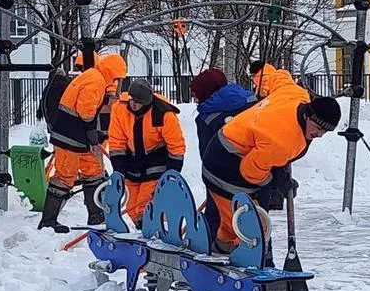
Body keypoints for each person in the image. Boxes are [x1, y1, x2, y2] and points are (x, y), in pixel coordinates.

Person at [200, 61, 340, 254]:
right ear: (308, 115)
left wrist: (261, 71)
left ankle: (239, 252)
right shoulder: (282, 141)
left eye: (325, 132)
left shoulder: (295, 95)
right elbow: (250, 171)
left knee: (251, 222)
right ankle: (223, 252)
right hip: (224, 166)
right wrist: (275, 182)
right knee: (241, 224)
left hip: (238, 145)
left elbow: (278, 78)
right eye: (317, 129)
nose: (319, 135)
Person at [38, 53, 128, 232]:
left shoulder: (95, 77)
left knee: (93, 170)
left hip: (77, 135)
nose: (117, 82)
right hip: (69, 134)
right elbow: (85, 108)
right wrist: (91, 130)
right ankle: (48, 220)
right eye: (117, 78)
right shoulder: (96, 80)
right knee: (65, 176)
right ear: (112, 72)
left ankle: (96, 215)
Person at [107, 79, 186, 226]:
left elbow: (176, 145)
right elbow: (117, 140)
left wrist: (173, 172)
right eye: (132, 100)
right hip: (132, 160)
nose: (134, 104)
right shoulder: (120, 110)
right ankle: (141, 229)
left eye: (139, 102)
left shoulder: (163, 114)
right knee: (132, 206)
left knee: (145, 203)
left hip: (156, 160)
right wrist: (119, 168)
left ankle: (152, 228)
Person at [191, 67, 258, 237]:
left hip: (221, 177)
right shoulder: (252, 102)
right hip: (256, 173)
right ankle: (264, 258)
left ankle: (215, 252)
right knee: (256, 222)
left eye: (196, 94)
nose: (195, 99)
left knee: (219, 220)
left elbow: (207, 154)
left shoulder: (206, 118)